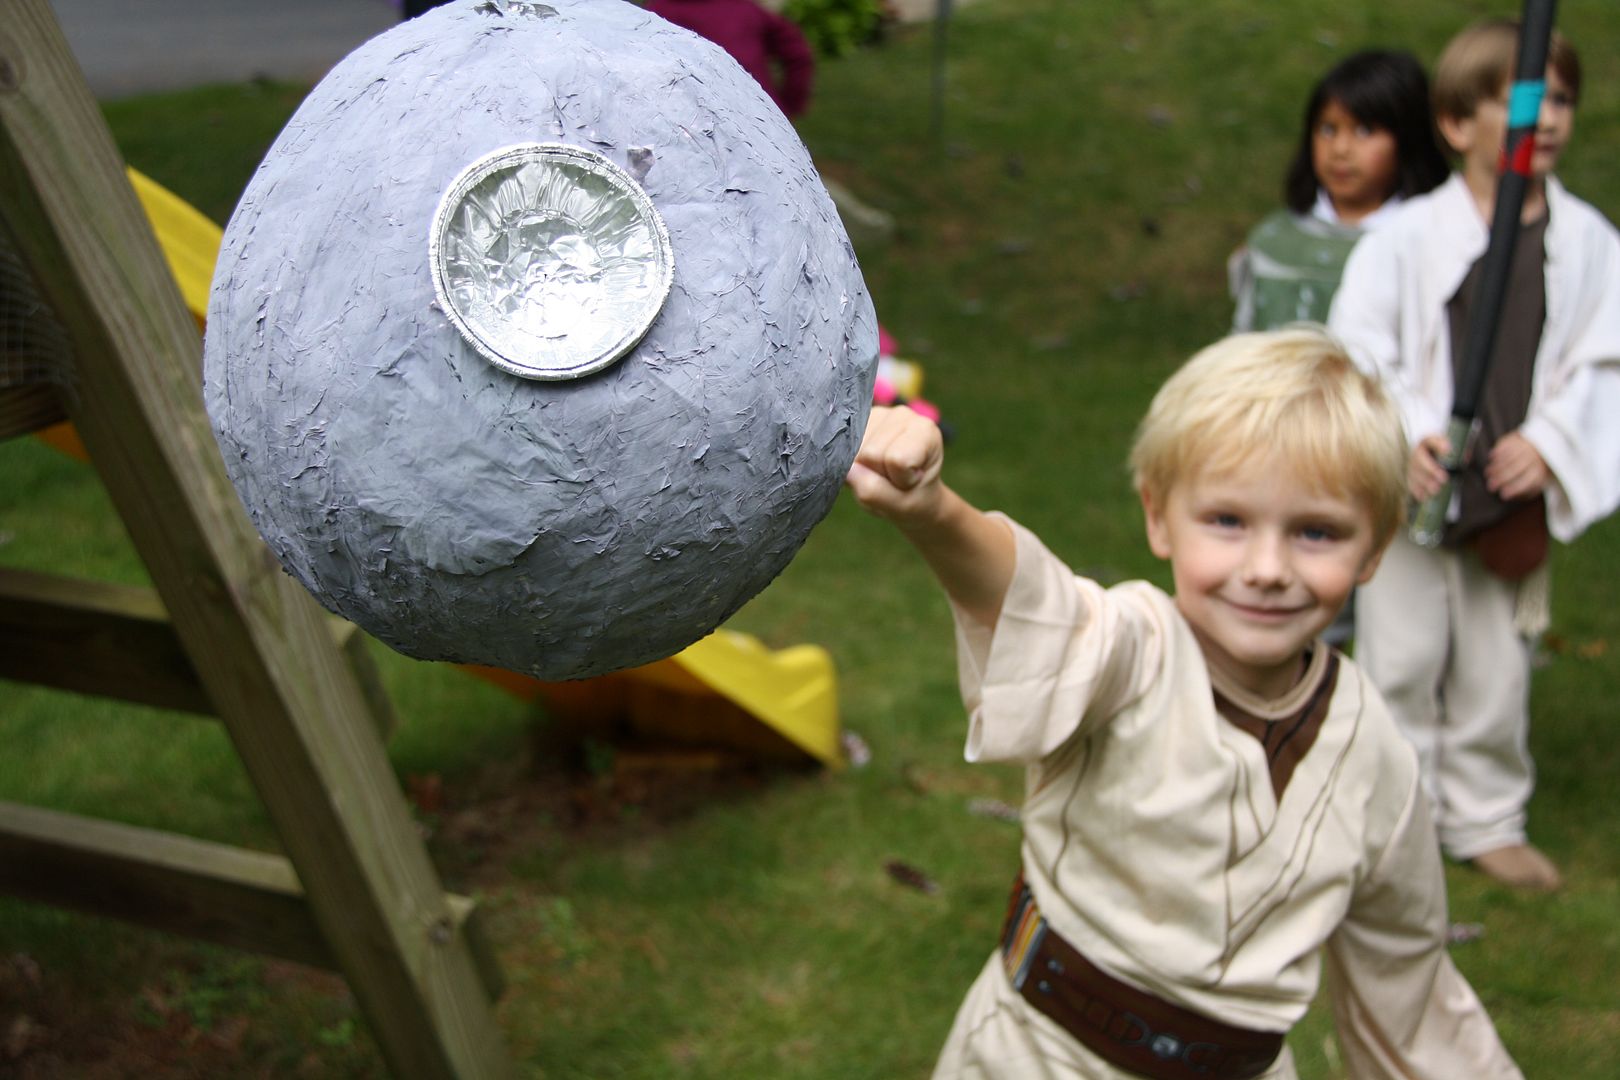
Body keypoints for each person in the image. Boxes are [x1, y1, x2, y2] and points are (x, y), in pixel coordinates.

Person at [846, 328, 1522, 1079]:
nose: (1267, 569)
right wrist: (935, 512)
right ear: (1159, 516)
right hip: (1034, 1058)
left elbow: (1411, 984)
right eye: (1228, 521)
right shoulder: (1132, 651)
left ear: (1375, 548)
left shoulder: (1373, 755)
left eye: (1317, 532)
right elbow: (1037, 608)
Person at [1328, 19, 1620, 892]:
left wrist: (1552, 444)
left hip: (1511, 493)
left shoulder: (1593, 245)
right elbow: (1359, 344)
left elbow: (1605, 361)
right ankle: (1394, 817)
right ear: (1458, 124)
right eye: (1527, 101)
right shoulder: (1406, 239)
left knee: (1499, 662)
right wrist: (1409, 427)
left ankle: (1488, 813)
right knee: (1404, 657)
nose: (1551, 118)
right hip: (1419, 490)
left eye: (1561, 98)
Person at [1229, 50, 1449, 333]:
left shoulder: (1432, 242)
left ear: (1408, 138)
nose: (1340, 150)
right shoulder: (1273, 240)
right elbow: (1241, 341)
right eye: (1328, 129)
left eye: (1365, 130)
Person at [645, 0, 816, 119]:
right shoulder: (744, 9)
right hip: (758, 115)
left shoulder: (657, 12)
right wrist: (787, 107)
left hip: (688, 120)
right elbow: (799, 55)